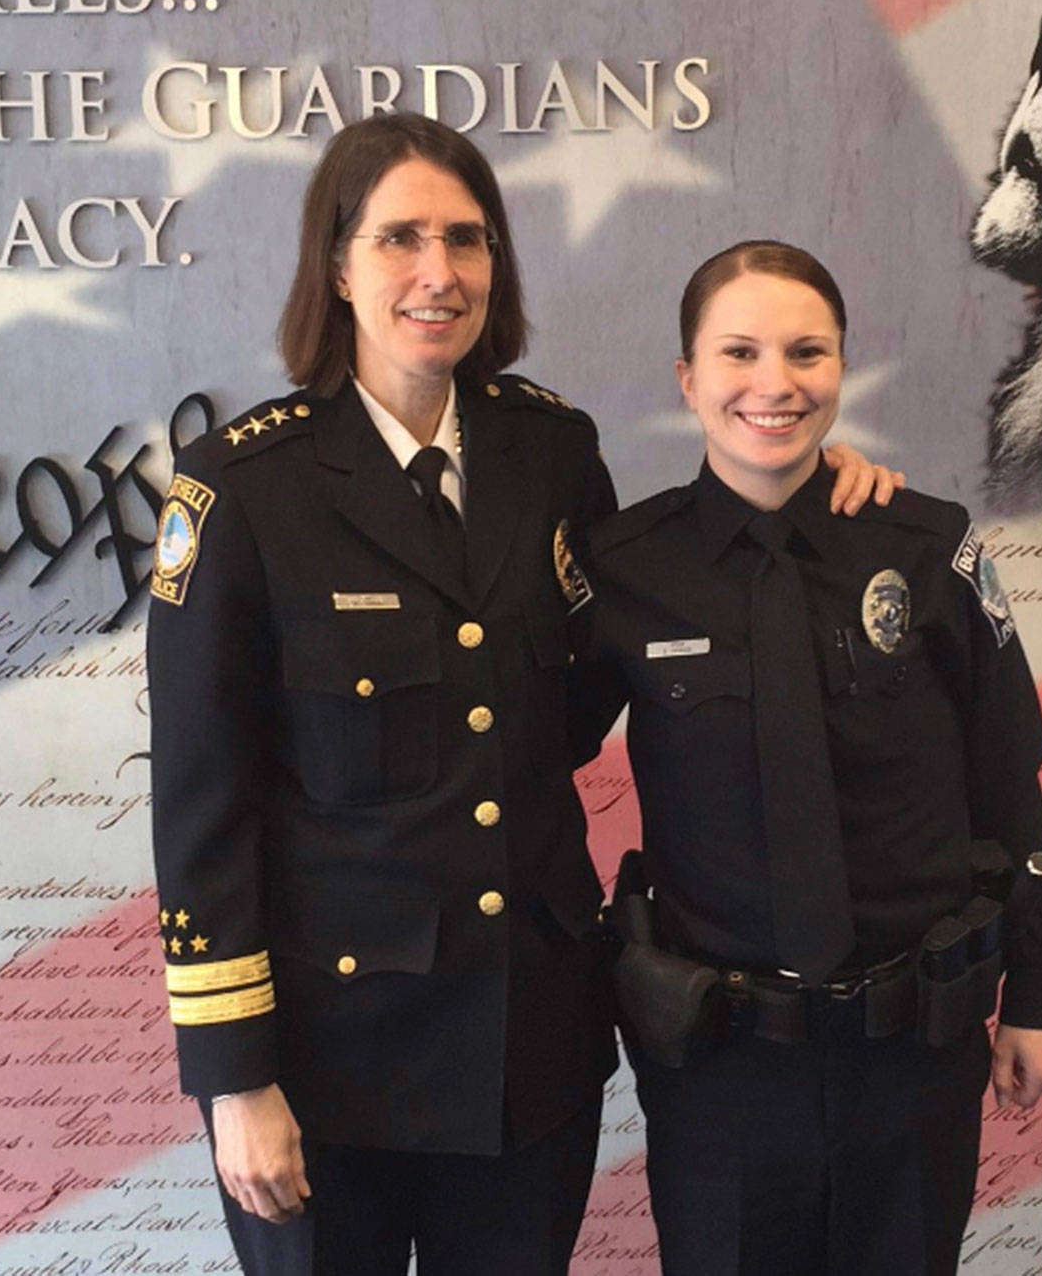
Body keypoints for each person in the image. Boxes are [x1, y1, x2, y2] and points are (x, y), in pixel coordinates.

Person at [145, 121, 896, 1276]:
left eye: (466, 238)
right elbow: (200, 810)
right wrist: (233, 1078)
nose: (437, 271)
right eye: (398, 237)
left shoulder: (549, 453)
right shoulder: (241, 489)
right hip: (326, 1060)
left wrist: (802, 486)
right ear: (335, 265)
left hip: (525, 1043)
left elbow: (626, 643)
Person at [573, 240, 1042, 1275]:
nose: (775, 383)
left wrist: (1039, 992)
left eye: (806, 352)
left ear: (841, 365)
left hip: (913, 1052)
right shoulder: (623, 568)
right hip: (719, 1066)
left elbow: (1004, 781)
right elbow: (529, 759)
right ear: (687, 377)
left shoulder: (927, 548)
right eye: (739, 352)